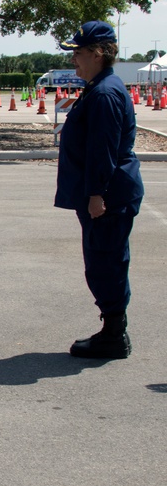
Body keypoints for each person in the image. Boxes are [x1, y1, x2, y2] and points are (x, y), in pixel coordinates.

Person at [55, 21, 143, 359]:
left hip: (108, 197)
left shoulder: (105, 93)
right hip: (108, 193)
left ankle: (113, 336)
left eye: (78, 53)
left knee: (106, 262)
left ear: (98, 53)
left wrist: (96, 195)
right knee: (104, 260)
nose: (74, 60)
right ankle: (112, 330)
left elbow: (102, 150)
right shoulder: (100, 87)